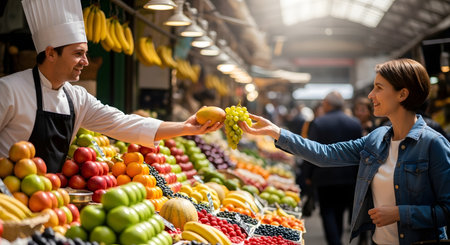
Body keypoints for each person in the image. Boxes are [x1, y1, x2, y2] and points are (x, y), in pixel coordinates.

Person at [239, 58, 450, 245]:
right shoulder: (377, 138)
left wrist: (400, 214)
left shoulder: (433, 144)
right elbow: (325, 154)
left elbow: (447, 210)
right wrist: (276, 132)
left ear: (402, 94)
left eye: (379, 87)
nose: (370, 95)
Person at [0, 0, 222, 173]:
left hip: (51, 201)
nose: (86, 62)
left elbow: (123, 123)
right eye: (78, 54)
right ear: (50, 53)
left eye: (85, 54)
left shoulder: (77, 98)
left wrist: (185, 128)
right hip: (8, 203)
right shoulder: (9, 90)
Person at [301, 91, 362, 245]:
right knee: (340, 211)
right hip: (349, 177)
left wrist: (307, 175)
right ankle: (338, 240)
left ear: (328, 104)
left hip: (324, 176)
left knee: (327, 211)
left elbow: (311, 151)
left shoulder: (319, 123)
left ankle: (334, 242)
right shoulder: (354, 123)